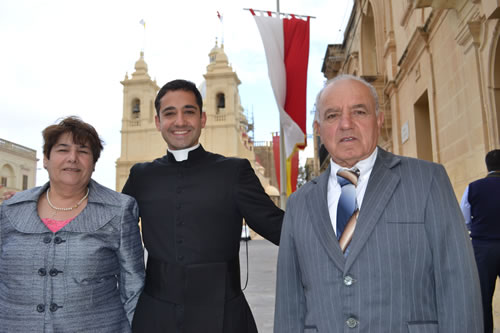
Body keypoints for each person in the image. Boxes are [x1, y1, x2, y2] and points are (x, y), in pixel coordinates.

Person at [274, 74, 483, 332]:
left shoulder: (427, 181)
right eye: (332, 115)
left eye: (359, 112)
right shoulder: (298, 204)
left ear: (379, 120)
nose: (346, 124)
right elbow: (289, 306)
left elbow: (458, 287)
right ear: (318, 129)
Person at [123, 79, 283, 333]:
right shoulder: (141, 176)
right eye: (169, 113)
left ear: (203, 118)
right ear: (157, 122)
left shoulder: (234, 171)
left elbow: (279, 228)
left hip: (224, 316)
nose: (180, 121)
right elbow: (112, 233)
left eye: (189, 112)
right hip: (155, 318)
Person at [0, 116, 145, 332]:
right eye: (62, 150)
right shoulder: (10, 210)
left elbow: (133, 287)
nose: (73, 158)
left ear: (94, 163)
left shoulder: (119, 209)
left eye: (83, 151)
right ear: (46, 159)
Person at [461, 149, 500, 333]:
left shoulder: (473, 187)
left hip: (482, 249)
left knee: (483, 297)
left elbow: (465, 219)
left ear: (487, 166)